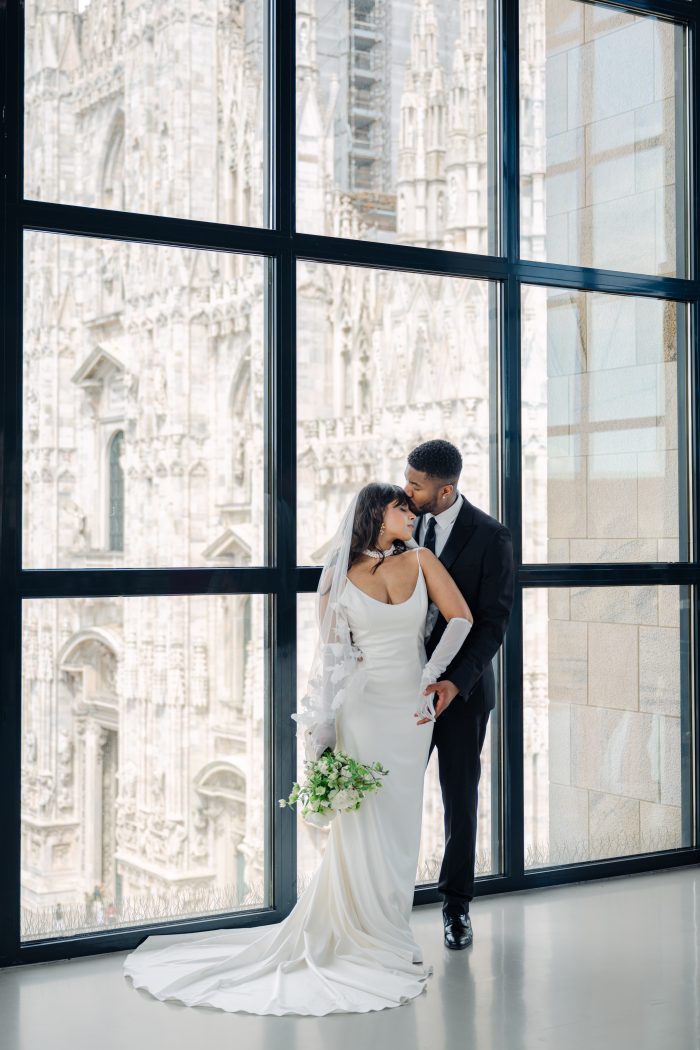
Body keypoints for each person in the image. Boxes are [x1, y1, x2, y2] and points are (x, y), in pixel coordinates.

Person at [123, 482, 473, 1015]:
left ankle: (388, 926)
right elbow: (333, 660)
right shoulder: (337, 578)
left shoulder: (422, 559)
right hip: (364, 708)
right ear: (377, 516)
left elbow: (462, 618)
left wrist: (430, 675)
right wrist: (323, 736)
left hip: (412, 711)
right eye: (401, 506)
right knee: (364, 823)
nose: (411, 511)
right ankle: (371, 934)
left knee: (401, 823)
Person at [404, 440, 514, 950]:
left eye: (417, 485)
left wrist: (454, 681)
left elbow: (493, 624)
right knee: (395, 793)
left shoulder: (491, 537)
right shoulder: (400, 526)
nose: (407, 491)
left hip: (462, 695)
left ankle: (456, 908)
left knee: (459, 799)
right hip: (404, 690)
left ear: (445, 490)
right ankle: (386, 900)